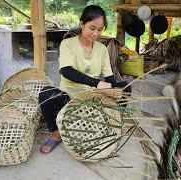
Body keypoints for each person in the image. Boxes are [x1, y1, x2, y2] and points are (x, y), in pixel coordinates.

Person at [38, 5, 131, 154]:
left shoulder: (101, 49)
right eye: (92, 28)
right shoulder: (68, 44)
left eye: (100, 30)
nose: (95, 33)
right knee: (46, 94)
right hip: (69, 98)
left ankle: (114, 120)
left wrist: (115, 91)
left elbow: (109, 77)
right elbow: (66, 70)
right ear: (81, 24)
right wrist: (96, 83)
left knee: (125, 87)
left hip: (93, 98)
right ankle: (56, 134)